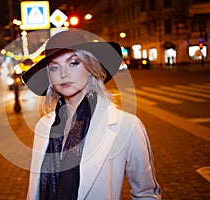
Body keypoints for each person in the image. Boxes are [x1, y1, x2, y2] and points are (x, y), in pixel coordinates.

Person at [22, 29, 161, 199]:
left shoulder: (126, 126)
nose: (63, 74)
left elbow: (146, 193)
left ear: (90, 68)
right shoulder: (43, 126)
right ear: (49, 76)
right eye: (54, 67)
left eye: (74, 63)